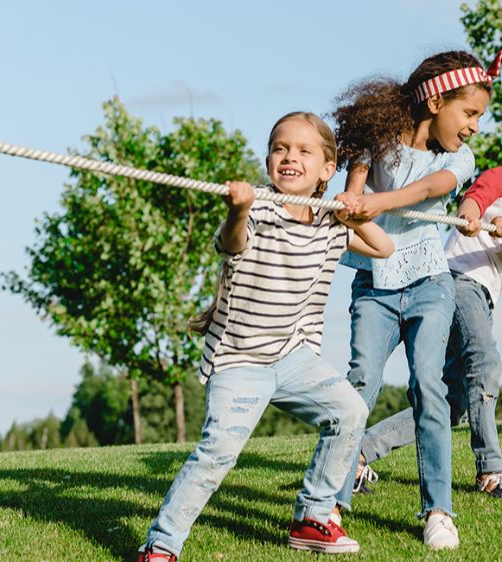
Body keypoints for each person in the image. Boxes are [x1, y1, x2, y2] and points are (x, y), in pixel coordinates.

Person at [136, 112, 394, 561]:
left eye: (303, 151)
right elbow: (234, 243)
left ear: (326, 169)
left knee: (350, 411)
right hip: (239, 360)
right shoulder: (258, 208)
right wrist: (238, 209)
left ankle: (313, 516)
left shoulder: (331, 221)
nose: (289, 157)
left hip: (294, 357)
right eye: (280, 148)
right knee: (217, 452)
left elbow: (383, 248)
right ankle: (162, 545)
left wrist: (353, 213)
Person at [354, 121, 502, 500]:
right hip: (457, 282)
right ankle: (491, 469)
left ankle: (361, 451)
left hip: (482, 299)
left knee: (453, 403)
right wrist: (479, 216)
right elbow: (472, 200)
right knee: (485, 363)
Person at [329, 50, 498, 550]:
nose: (473, 127)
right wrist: (353, 199)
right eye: (468, 113)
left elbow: (431, 187)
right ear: (436, 98)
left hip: (430, 281)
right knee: (360, 382)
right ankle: (331, 503)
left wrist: (376, 203)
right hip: (374, 283)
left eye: (478, 119)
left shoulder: (458, 158)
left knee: (429, 384)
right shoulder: (374, 139)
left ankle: (438, 510)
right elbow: (354, 188)